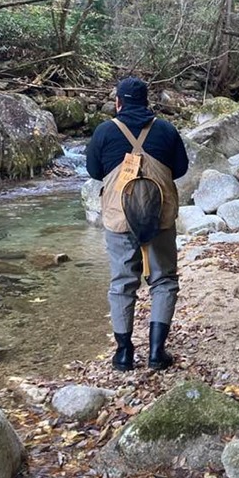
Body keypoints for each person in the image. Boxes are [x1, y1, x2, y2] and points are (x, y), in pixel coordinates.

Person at [86, 76, 189, 372]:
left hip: (119, 216)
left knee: (122, 283)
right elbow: (180, 170)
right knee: (164, 280)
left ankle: (123, 353)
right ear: (147, 102)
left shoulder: (105, 131)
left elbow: (94, 171)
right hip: (160, 215)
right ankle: (157, 352)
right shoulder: (166, 130)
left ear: (118, 103)